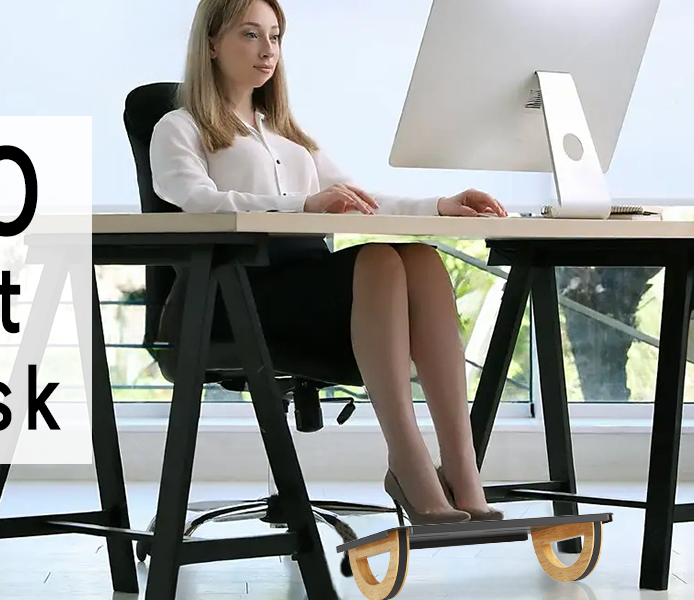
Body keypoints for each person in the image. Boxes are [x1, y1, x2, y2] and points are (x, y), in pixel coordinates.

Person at [149, 0, 507, 525]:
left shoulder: (288, 135)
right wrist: (303, 205)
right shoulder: (179, 127)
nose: (268, 50)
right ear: (210, 42)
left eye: (275, 36)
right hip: (235, 295)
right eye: (251, 35)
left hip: (306, 292)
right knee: (381, 263)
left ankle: (461, 470)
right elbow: (195, 198)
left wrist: (439, 204)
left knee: (423, 261)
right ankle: (408, 463)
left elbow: (361, 198)